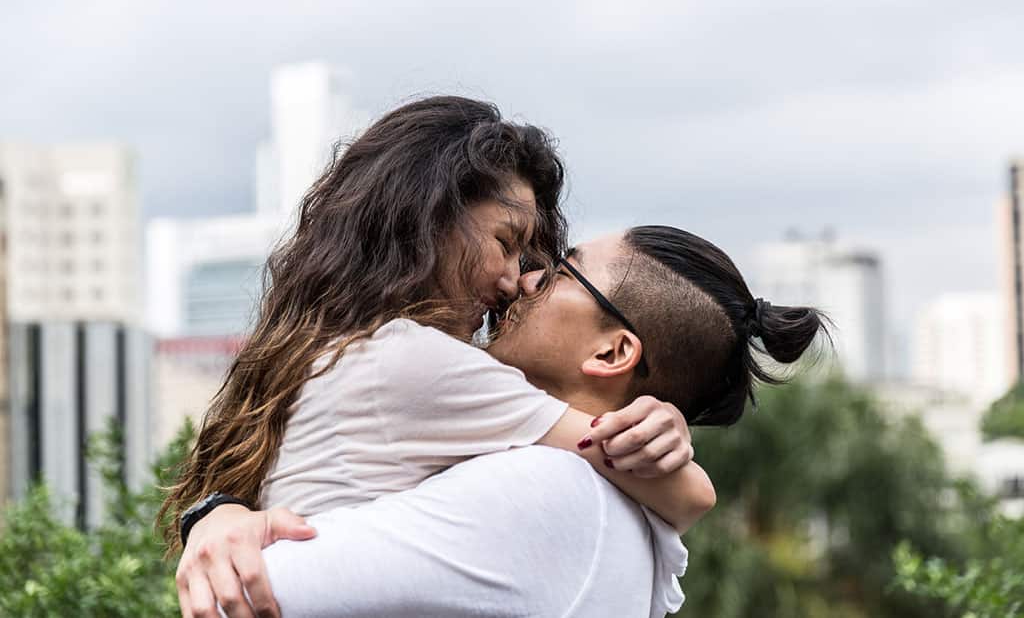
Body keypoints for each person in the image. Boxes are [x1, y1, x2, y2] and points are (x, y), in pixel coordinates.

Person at [165, 97, 715, 614]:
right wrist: (658, 431)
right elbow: (691, 496)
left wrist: (217, 513)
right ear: (428, 220)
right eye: (506, 243)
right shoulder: (409, 359)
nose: (514, 281)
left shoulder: (344, 353)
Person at [178, 225, 828, 617]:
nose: (525, 279)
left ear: (611, 351)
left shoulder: (550, 488)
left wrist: (217, 522)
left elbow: (252, 597)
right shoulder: (609, 501)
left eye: (560, 272)